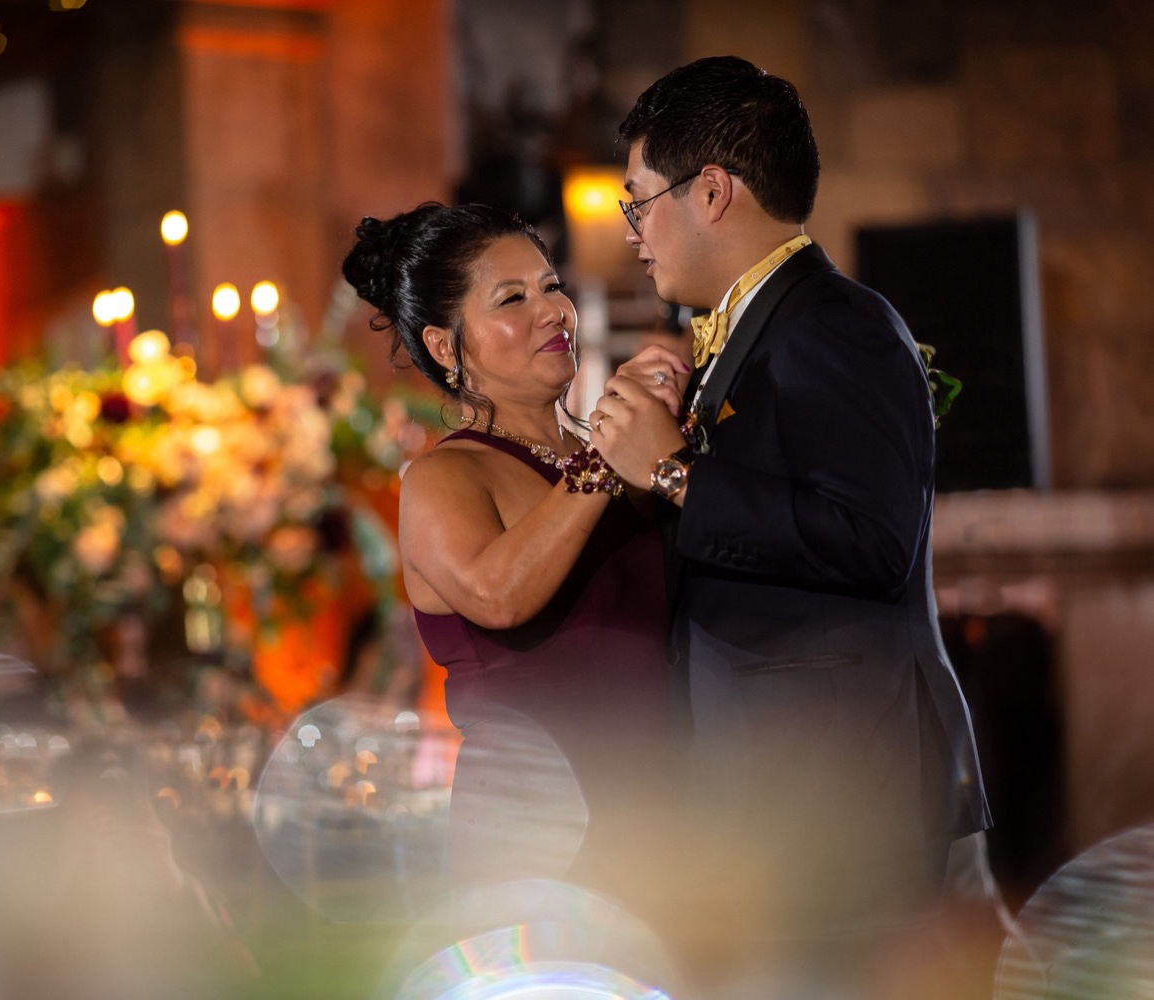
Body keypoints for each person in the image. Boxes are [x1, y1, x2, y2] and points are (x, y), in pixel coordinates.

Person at [589, 55, 990, 978]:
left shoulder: (834, 325)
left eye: (638, 202)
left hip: (838, 790)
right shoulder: (758, 327)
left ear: (713, 191)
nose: (635, 236)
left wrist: (677, 474)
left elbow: (872, 540)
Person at [342, 203, 690, 901]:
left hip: (661, 825)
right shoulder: (445, 477)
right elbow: (496, 594)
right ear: (445, 347)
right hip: (533, 840)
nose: (552, 310)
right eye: (513, 299)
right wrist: (607, 458)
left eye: (551, 285)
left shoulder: (614, 452)